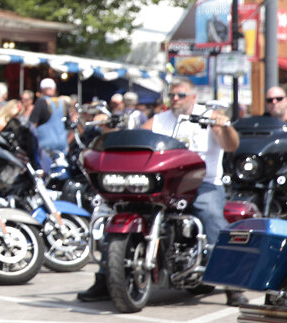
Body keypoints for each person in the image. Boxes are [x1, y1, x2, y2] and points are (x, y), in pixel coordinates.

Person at [78, 77, 244, 305]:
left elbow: (231, 145)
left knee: (211, 215)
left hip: (203, 182)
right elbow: (136, 138)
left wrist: (223, 125)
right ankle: (105, 279)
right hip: (165, 184)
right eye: (172, 95)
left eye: (180, 95)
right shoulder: (158, 120)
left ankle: (232, 285)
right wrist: (109, 126)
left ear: (193, 97)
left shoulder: (209, 116)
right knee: (119, 211)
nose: (175, 99)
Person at [30, 78, 73, 155]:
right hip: (62, 147)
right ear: (54, 89)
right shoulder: (63, 103)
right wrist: (67, 144)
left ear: (41, 89)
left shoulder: (41, 102)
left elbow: (32, 125)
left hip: (45, 146)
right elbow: (71, 127)